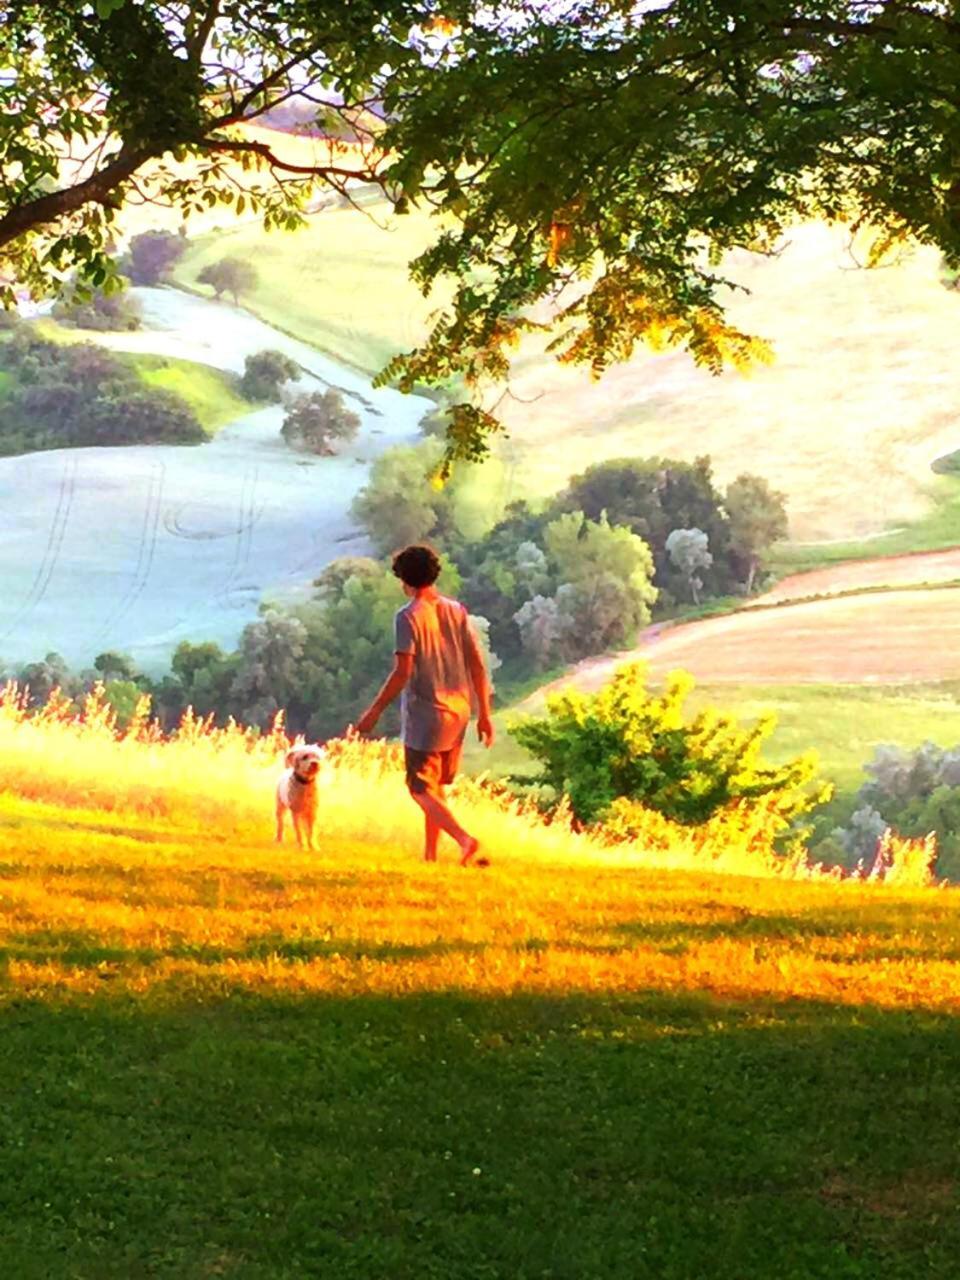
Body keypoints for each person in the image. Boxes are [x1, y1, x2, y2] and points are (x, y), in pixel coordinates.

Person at [355, 544, 495, 865]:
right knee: (435, 789)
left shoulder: (407, 617)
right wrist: (484, 714)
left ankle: (466, 841)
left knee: (419, 788)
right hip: (459, 711)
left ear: (404, 580)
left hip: (427, 717)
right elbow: (477, 663)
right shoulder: (455, 610)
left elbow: (403, 671)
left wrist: (374, 711)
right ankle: (430, 856)